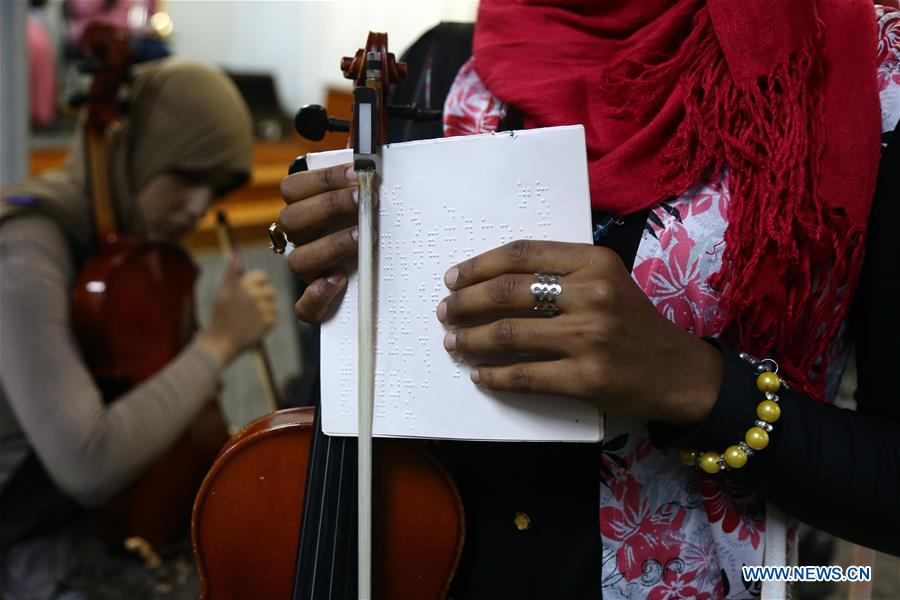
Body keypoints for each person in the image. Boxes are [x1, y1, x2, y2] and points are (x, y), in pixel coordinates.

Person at [278, 2, 900, 598]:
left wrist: (696, 386)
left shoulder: (869, 68)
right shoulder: (443, 66)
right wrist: (317, 263)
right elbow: (351, 394)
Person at [0, 59, 277, 596]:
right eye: (186, 177)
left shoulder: (137, 251)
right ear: (133, 149)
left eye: (214, 189)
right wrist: (218, 343)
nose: (198, 207)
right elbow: (88, 462)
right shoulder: (26, 250)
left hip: (99, 523)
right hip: (24, 536)